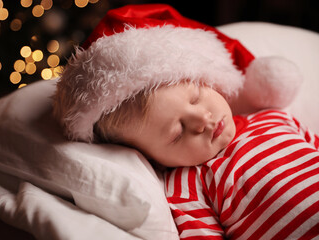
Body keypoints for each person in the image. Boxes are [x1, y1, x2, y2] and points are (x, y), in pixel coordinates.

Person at [53, 4, 318, 240]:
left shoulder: (273, 117)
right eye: (177, 132)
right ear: (154, 158)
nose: (203, 118)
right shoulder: (186, 186)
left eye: (196, 98)